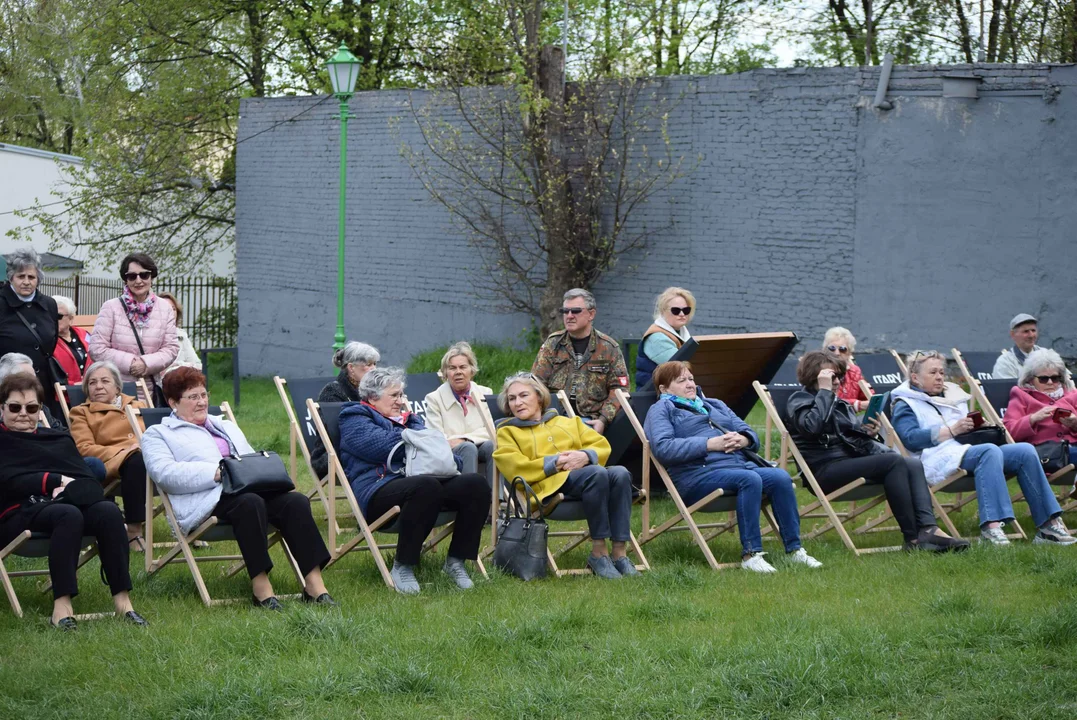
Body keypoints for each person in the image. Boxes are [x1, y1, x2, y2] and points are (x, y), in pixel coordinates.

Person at [141, 367, 335, 608]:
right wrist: (216, 473)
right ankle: (261, 587)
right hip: (206, 499)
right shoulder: (158, 434)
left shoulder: (224, 425)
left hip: (247, 490)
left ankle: (314, 586)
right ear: (172, 402)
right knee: (249, 503)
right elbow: (164, 474)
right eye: (193, 397)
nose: (202, 402)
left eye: (204, 395)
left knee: (295, 502)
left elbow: (248, 459)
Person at [0, 373, 148, 629]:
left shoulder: (57, 439)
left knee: (108, 511)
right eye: (15, 407)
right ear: (1, 408)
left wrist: (69, 488)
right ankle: (62, 607)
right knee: (69, 514)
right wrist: (56, 480)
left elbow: (86, 480)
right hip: (16, 515)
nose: (23, 413)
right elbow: (8, 481)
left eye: (32, 407)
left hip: (61, 507)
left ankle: (123, 603)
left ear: (39, 410)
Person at [644, 361, 823, 572]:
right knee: (749, 479)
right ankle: (751, 555)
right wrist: (710, 444)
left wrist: (743, 440)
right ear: (664, 389)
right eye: (681, 380)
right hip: (697, 476)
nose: (690, 384)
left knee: (781, 477)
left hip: (737, 466)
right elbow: (663, 448)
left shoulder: (714, 404)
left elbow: (750, 434)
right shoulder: (661, 409)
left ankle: (795, 550)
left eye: (691, 378)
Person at [786, 351, 968, 552]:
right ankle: (913, 539)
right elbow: (812, 428)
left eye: (839, 376)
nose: (837, 381)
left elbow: (848, 439)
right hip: (824, 470)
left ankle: (928, 529)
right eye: (832, 376)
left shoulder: (838, 403)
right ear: (815, 376)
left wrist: (868, 433)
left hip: (848, 464)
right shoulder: (798, 399)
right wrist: (825, 392)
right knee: (893, 461)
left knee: (912, 463)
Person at [891, 350, 1074, 546]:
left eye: (942, 373)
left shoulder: (952, 396)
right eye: (933, 372)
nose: (939, 377)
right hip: (935, 458)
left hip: (967, 450)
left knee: (1024, 451)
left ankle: (1048, 526)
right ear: (915, 377)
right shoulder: (906, 403)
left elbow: (964, 431)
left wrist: (977, 426)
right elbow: (910, 439)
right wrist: (951, 430)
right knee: (989, 451)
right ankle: (991, 527)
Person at [338, 367, 488, 595]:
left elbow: (444, 455)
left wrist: (427, 446)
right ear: (372, 397)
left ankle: (456, 561)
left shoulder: (410, 419)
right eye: (394, 395)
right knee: (425, 486)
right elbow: (379, 447)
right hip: (378, 491)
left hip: (423, 487)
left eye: (401, 395)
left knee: (475, 484)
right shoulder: (354, 417)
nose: (401, 401)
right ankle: (403, 566)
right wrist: (419, 440)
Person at [493, 372, 639, 579]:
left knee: (620, 473)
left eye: (524, 395)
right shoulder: (508, 432)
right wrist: (554, 463)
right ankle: (599, 552)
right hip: (546, 487)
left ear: (539, 397)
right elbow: (514, 466)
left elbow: (601, 445)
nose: (518, 402)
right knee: (596, 473)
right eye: (512, 398)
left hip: (585, 480)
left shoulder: (569, 423)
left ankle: (619, 553)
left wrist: (585, 455)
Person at [67, 362, 149, 549]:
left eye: (105, 381)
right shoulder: (81, 412)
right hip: (114, 462)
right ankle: (134, 532)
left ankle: (191, 525)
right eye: (92, 383)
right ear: (87, 389)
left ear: (118, 387)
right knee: (135, 461)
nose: (98, 386)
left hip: (149, 458)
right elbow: (84, 448)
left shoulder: (138, 405)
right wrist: (124, 451)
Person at [532, 288, 629, 435]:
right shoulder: (553, 344)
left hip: (590, 419)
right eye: (565, 311)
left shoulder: (608, 347)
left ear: (591, 314)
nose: (569, 316)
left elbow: (620, 390)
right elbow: (536, 383)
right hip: (554, 417)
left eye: (575, 311)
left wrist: (603, 420)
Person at [0, 352, 106, 483]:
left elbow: (60, 431)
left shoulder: (41, 406)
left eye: (34, 377)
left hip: (54, 459)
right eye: (27, 377)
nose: (34, 381)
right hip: (23, 466)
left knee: (94, 465)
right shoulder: (7, 409)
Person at [88, 253, 179, 402]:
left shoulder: (165, 308)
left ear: (152, 277)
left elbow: (171, 348)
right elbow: (97, 348)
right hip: (117, 391)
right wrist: (130, 363)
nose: (138, 280)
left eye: (144, 275)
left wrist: (146, 363)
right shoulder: (111, 307)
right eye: (132, 276)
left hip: (150, 390)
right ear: (125, 279)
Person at [0, 248, 64, 419]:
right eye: (21, 277)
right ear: (11, 277)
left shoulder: (49, 304)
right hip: (7, 386)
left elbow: (52, 340)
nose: (26, 282)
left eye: (31, 277)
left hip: (42, 386)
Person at [309, 341, 380, 480]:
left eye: (375, 364)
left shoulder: (375, 391)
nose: (374, 369)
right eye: (368, 364)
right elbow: (336, 434)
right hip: (332, 455)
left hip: (367, 447)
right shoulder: (332, 392)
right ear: (351, 367)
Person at [424, 341, 494, 478]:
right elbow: (435, 436)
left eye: (463, 367)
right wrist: (464, 443)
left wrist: (464, 439)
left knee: (493, 445)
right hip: (450, 451)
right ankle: (470, 497)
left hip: (477, 443)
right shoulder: (434, 398)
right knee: (468, 449)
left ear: (471, 370)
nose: (458, 372)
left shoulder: (485, 393)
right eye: (452, 368)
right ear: (445, 373)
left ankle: (497, 497)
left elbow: (491, 430)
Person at [1003, 349, 1077, 467]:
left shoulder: (1072, 394)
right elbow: (1008, 431)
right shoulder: (1022, 395)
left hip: (1072, 448)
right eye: (1043, 379)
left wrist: (1074, 424)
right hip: (1045, 454)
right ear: (1030, 379)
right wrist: (1032, 419)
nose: (1050, 382)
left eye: (1055, 378)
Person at [634, 287, 695, 388]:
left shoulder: (681, 333)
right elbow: (681, 370)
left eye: (686, 310)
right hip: (654, 397)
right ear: (663, 311)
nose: (682, 314)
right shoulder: (656, 338)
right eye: (676, 310)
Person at [822, 326, 869, 412]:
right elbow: (827, 401)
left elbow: (869, 398)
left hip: (851, 420)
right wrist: (856, 405)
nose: (837, 353)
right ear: (825, 350)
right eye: (832, 348)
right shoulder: (821, 372)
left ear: (849, 352)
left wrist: (869, 419)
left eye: (842, 349)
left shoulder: (855, 371)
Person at [156, 292, 202, 375]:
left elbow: (198, 366)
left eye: (173, 309)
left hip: (181, 382)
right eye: (165, 308)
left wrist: (177, 365)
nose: (170, 312)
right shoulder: (148, 336)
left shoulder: (181, 335)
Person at [52, 295, 93, 385]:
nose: (53, 318)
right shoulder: (47, 341)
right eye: (50, 314)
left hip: (91, 388)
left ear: (70, 318)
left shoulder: (83, 334)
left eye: (58, 316)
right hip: (64, 393)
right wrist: (73, 385)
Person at [992, 313, 1045, 379]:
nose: (1031, 335)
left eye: (1033, 330)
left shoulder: (1046, 355)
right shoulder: (1005, 362)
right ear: (1013, 334)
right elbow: (1006, 388)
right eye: (1026, 331)